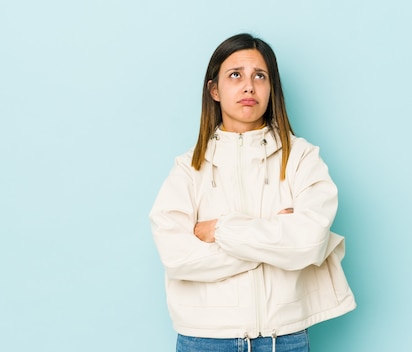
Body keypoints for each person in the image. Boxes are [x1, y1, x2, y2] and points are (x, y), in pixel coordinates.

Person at [149, 33, 356, 352]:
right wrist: (275, 244)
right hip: (204, 340)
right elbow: (177, 258)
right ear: (214, 90)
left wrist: (220, 229)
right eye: (236, 75)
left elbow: (309, 242)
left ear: (271, 88)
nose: (249, 86)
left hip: (284, 339)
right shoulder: (188, 168)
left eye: (260, 76)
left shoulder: (301, 158)